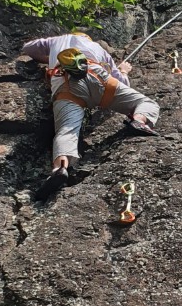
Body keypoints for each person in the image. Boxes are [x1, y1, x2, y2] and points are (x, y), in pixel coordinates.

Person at [20, 29, 160, 196]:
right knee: (146, 103)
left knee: (67, 130)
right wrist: (123, 70)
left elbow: (28, 48)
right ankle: (138, 120)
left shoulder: (57, 41)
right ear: (87, 37)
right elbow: (123, 82)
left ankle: (60, 168)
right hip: (96, 75)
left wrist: (50, 58)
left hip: (65, 82)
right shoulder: (98, 49)